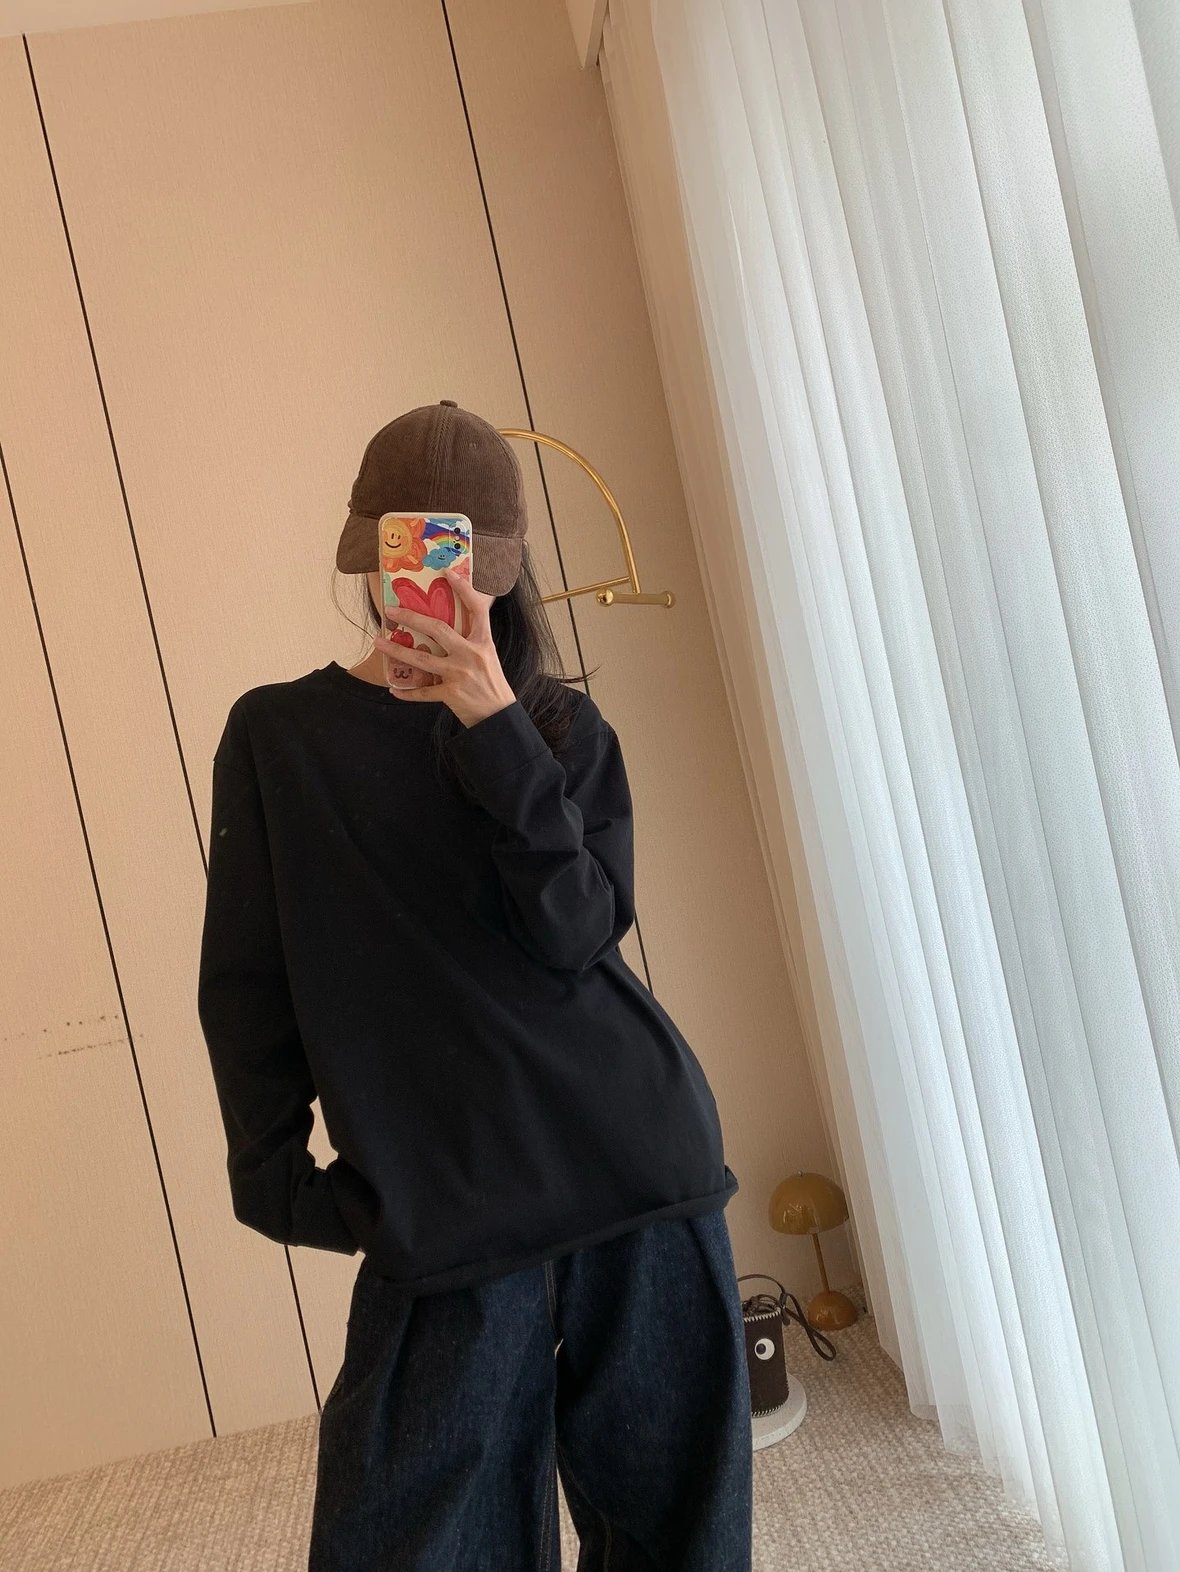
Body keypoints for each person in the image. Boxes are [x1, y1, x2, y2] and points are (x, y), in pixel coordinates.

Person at [196, 401, 753, 1570]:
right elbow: (247, 981)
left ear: (503, 567)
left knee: (678, 1543)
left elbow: (577, 934)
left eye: (466, 562)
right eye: (416, 553)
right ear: (372, 556)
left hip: (636, 1172)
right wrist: (277, 1182)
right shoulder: (279, 738)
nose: (440, 587)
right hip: (445, 1215)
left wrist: (498, 733)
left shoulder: (561, 732)